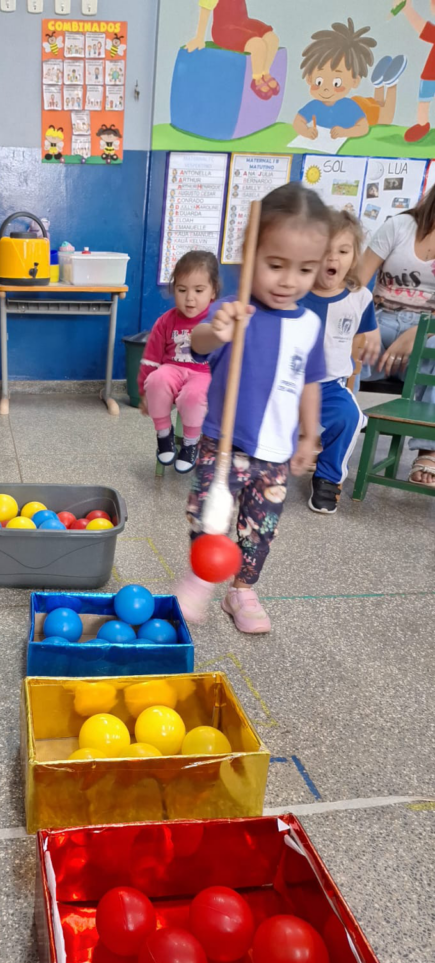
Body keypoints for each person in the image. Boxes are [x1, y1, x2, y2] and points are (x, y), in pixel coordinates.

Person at [174, 183, 331, 634]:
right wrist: (217, 330)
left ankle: (241, 590)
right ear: (249, 254)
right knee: (208, 514)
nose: (288, 280)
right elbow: (198, 343)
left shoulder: (308, 325)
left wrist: (308, 436)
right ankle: (200, 576)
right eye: (275, 265)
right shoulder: (232, 310)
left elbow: (310, 383)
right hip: (223, 441)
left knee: (259, 531)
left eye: (305, 269)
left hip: (276, 455)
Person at [301, 211, 381, 513]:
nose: (332, 258)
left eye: (343, 251)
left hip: (329, 384)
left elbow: (368, 330)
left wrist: (372, 337)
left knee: (350, 416)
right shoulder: (294, 291)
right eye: (324, 250)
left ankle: (327, 477)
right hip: (287, 382)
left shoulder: (359, 297)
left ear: (354, 257)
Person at [359, 185, 435, 486]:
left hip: (429, 330)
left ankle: (428, 450)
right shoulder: (399, 226)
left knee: (433, 353)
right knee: (350, 345)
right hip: (382, 319)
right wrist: (368, 326)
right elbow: (355, 284)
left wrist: (419, 331)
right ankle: (333, 433)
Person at [139, 252, 220, 473]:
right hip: (173, 369)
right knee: (157, 379)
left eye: (199, 290)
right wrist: (143, 392)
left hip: (204, 374)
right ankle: (163, 436)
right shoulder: (166, 321)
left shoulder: (217, 320)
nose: (190, 298)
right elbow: (151, 358)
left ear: (213, 291)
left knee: (193, 395)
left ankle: (190, 445)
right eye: (182, 290)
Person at [293, 19, 406, 142]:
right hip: (361, 102)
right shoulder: (314, 106)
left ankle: (391, 84)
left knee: (385, 117)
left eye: (336, 83)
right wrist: (306, 131)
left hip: (366, 110)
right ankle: (378, 84)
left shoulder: (349, 106)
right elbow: (298, 121)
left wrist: (345, 132)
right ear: (310, 78)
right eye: (319, 82)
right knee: (377, 103)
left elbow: (363, 128)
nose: (326, 88)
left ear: (354, 81)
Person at [184, 0, 281, 100]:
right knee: (257, 45)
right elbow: (206, 6)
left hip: (243, 22)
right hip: (224, 29)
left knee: (272, 39)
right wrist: (199, 37)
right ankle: (256, 79)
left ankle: (265, 72)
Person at [400, 0, 435, 142]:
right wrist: (407, 9)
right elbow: (423, 28)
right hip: (430, 74)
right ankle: (422, 125)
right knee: (424, 99)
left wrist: (408, 10)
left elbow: (422, 27)